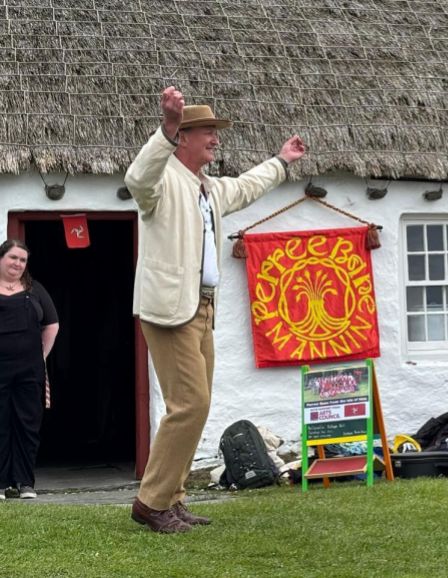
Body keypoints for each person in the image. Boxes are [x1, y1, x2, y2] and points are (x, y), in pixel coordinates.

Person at [125, 86, 306, 533]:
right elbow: (136, 180)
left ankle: (173, 496)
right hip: (169, 309)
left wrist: (281, 162)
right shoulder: (162, 181)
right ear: (183, 137)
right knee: (190, 403)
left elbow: (246, 188)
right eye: (208, 131)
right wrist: (164, 128)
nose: (216, 139)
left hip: (202, 307)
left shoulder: (208, 188)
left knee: (194, 406)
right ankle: (151, 503)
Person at [0, 239, 59, 500]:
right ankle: (1, 484)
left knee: (27, 424)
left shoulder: (35, 289)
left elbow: (52, 324)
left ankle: (25, 483)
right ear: (1, 258)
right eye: (13, 257)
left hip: (29, 371)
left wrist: (41, 355)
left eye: (23, 260)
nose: (18, 264)